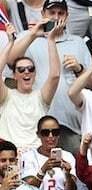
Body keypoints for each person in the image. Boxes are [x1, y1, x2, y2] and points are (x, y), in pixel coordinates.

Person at [7, 0, 92, 154]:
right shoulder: (29, 37)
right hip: (36, 123)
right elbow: (11, 61)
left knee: (73, 173)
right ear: (43, 13)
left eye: (61, 13)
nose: (56, 17)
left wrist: (79, 68)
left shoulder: (78, 42)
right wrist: (33, 34)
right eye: (52, 12)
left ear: (67, 16)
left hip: (70, 124)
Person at [0, 22, 60, 151]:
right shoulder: (6, 95)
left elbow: (55, 75)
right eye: (21, 69)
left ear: (34, 74)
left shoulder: (41, 97)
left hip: (37, 154)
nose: (26, 72)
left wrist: (51, 40)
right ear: (14, 75)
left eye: (30, 69)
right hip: (11, 155)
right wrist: (10, 43)